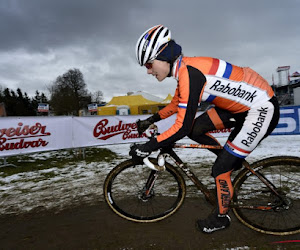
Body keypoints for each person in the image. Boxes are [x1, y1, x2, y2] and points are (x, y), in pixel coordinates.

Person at [130, 24, 280, 233]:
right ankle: (229, 159)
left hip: (260, 109)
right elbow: (176, 106)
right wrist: (151, 120)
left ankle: (221, 217)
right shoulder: (185, 70)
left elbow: (180, 126)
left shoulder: (190, 74)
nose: (148, 71)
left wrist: (149, 145)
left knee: (219, 168)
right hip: (239, 107)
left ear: (163, 56)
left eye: (148, 64)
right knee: (196, 129)